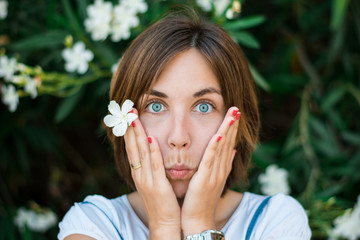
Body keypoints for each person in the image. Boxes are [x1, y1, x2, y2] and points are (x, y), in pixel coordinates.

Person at [58, 10, 311, 240]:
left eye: (203, 106)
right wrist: (164, 226)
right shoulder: (91, 226)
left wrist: (199, 226)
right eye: (155, 106)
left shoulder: (276, 222)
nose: (179, 137)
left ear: (235, 122)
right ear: (126, 120)